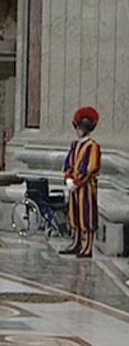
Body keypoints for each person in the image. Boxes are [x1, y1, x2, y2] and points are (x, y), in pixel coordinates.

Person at [61, 107, 104, 258]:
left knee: (87, 216)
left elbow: (91, 168)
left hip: (86, 187)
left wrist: (77, 182)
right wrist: (68, 178)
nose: (78, 130)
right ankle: (76, 242)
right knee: (75, 215)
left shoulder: (93, 146)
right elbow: (68, 163)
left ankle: (88, 246)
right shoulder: (75, 145)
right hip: (74, 186)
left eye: (80, 128)